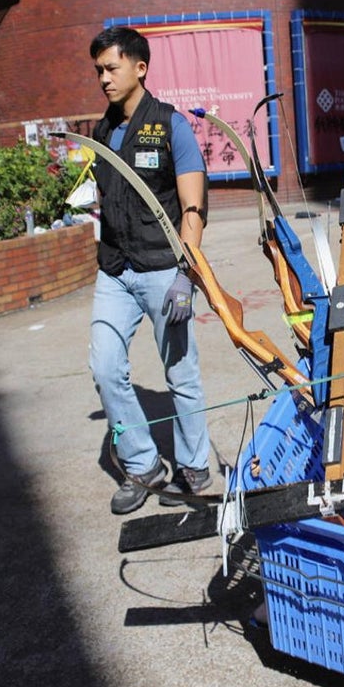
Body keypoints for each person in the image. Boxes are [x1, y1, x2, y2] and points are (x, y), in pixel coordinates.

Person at [86, 26, 213, 514]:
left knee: (180, 372)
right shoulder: (102, 131)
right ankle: (143, 465)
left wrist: (186, 272)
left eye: (111, 68)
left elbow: (193, 206)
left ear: (140, 68)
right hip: (115, 269)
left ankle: (193, 465)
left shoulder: (171, 126)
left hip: (164, 269)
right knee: (104, 367)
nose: (103, 78)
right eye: (98, 70)